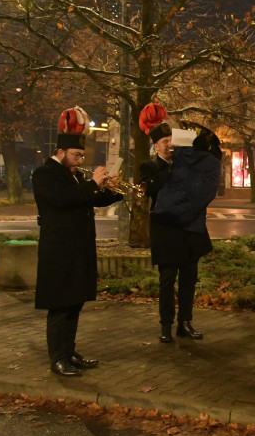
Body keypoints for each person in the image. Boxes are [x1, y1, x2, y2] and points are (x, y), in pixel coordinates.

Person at [32, 106, 123, 377]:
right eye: (76, 155)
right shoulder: (45, 175)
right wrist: (93, 183)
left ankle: (70, 352)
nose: (80, 159)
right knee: (60, 306)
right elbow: (63, 200)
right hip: (58, 251)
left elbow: (90, 199)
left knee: (75, 302)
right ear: (61, 152)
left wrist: (113, 190)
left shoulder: (76, 176)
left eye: (82, 155)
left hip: (78, 249)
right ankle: (57, 358)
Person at [139, 105, 221, 343]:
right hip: (166, 230)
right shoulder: (151, 166)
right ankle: (166, 325)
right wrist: (172, 167)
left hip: (190, 229)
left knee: (188, 278)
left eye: (170, 139)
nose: (168, 144)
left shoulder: (188, 163)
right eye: (164, 141)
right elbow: (152, 188)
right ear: (156, 146)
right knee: (167, 281)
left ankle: (185, 322)